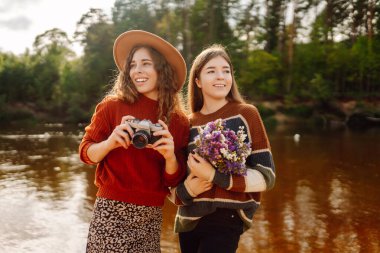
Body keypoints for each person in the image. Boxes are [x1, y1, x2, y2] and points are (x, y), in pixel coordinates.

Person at [79, 30, 189, 253]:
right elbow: (85, 153)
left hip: (151, 216)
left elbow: (174, 179)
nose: (137, 70)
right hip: (111, 212)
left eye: (146, 63)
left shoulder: (178, 121)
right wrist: (110, 142)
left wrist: (169, 156)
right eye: (132, 65)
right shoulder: (111, 107)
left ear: (161, 69)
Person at [171, 44, 276, 253]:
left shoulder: (246, 114)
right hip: (189, 219)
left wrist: (213, 175)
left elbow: (267, 177)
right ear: (198, 81)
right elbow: (172, 184)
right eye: (211, 71)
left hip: (227, 218)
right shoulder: (186, 123)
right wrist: (187, 190)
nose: (221, 76)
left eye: (226, 71)